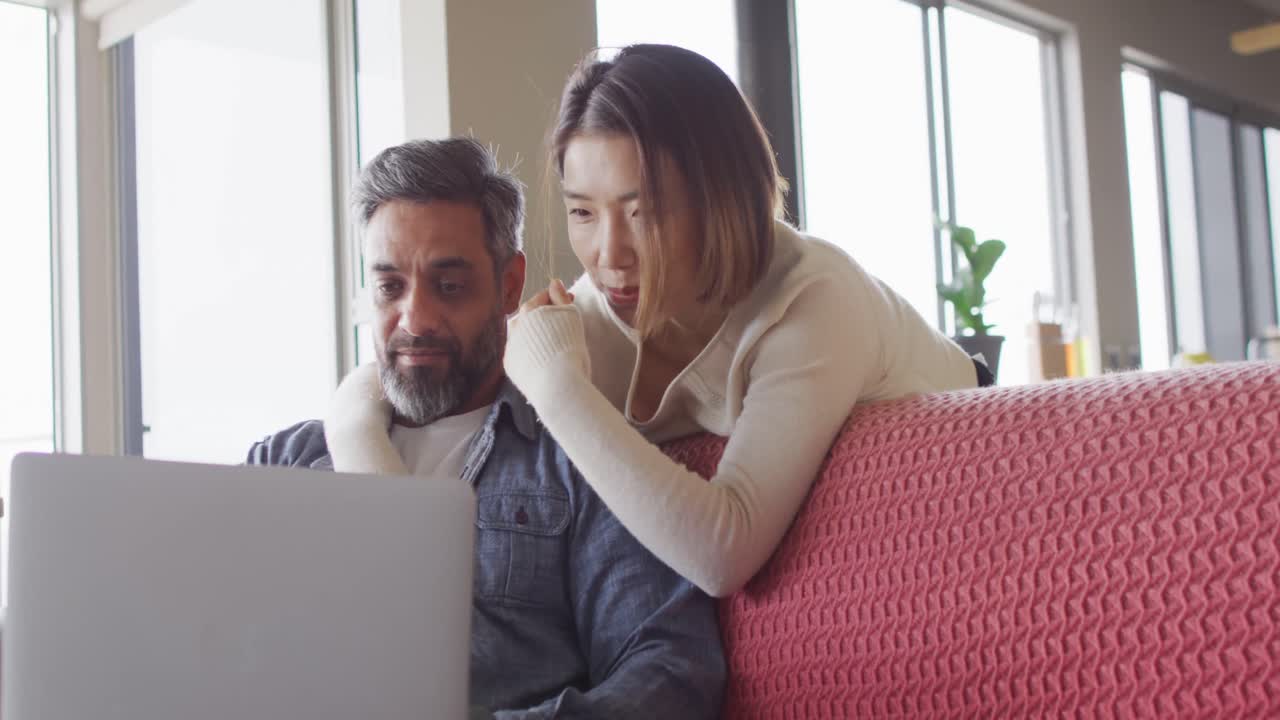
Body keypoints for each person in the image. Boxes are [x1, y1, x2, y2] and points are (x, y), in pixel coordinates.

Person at [327, 45, 987, 598]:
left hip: (970, 469)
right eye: (584, 212)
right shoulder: (594, 313)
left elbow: (723, 553)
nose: (610, 255)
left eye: (644, 212)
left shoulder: (814, 300)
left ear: (722, 199)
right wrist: (357, 441)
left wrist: (560, 391)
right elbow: (424, 354)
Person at [249, 137, 725, 718]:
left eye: (449, 287)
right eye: (390, 287)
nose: (415, 319)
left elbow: (672, 671)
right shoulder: (282, 463)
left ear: (507, 285)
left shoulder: (577, 461)